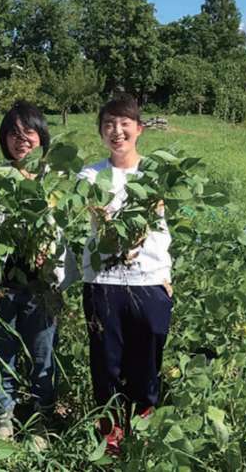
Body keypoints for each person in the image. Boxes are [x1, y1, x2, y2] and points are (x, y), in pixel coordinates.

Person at [77, 93, 174, 456]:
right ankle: (111, 435)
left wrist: (166, 273)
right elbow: (94, 211)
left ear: (139, 129)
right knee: (106, 361)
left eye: (124, 124)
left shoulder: (155, 172)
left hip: (149, 279)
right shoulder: (90, 173)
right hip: (103, 281)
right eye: (108, 125)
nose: (116, 131)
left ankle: (144, 430)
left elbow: (162, 222)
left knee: (147, 361)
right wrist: (109, 223)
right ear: (101, 132)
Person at [0, 102, 77, 444]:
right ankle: (3, 422)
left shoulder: (58, 181)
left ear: (42, 137)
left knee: (42, 355)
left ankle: (40, 420)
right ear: (4, 139)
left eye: (29, 133)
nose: (21, 140)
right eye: (13, 133)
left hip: (42, 284)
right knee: (0, 354)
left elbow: (67, 230)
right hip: (2, 283)